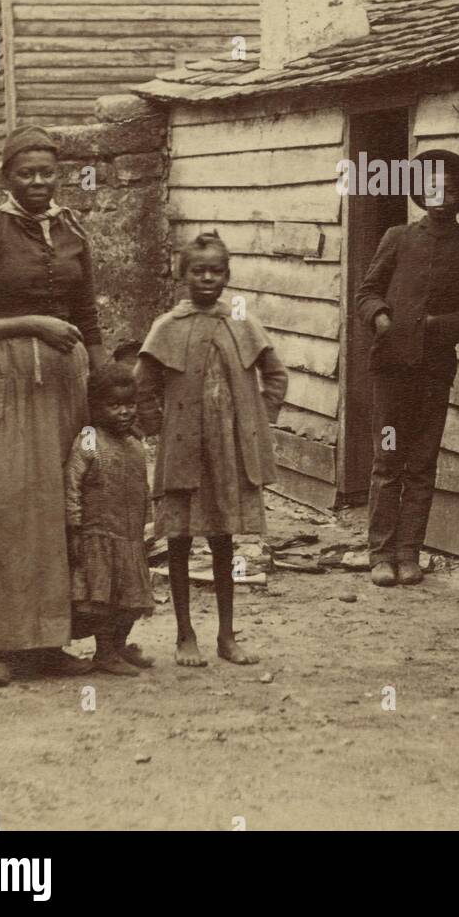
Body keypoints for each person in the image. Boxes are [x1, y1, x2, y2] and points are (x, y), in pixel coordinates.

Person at [0, 125, 104, 687]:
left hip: (65, 384)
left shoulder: (71, 231)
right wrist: (30, 324)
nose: (38, 182)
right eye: (26, 173)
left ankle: (48, 640)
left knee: (61, 506)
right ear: (6, 178)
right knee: (4, 505)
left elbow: (88, 315)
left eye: (46, 173)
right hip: (3, 386)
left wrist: (101, 381)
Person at [135, 232, 288, 667]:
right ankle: (185, 635)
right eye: (198, 270)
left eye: (216, 271)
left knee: (224, 543)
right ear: (182, 275)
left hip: (229, 454)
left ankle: (226, 635)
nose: (207, 279)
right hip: (183, 451)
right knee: (180, 542)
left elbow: (275, 375)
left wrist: (260, 420)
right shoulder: (167, 326)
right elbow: (142, 386)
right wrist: (156, 428)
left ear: (227, 274)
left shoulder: (240, 319)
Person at [355, 149, 459, 588]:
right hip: (391, 371)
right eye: (432, 186)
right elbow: (367, 291)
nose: (439, 195)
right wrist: (383, 319)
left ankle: (410, 553)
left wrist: (433, 326)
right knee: (388, 459)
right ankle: (380, 554)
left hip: (433, 373)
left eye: (449, 190)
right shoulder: (398, 238)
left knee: (422, 463)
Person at [64, 363, 154, 676]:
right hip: (98, 537)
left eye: (130, 404)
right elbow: (72, 485)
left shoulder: (134, 443)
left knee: (130, 600)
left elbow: (143, 486)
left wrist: (148, 524)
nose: (125, 412)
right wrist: (75, 528)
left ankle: (118, 646)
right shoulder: (90, 439)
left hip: (129, 537)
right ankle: (104, 652)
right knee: (104, 600)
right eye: (114, 406)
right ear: (96, 407)